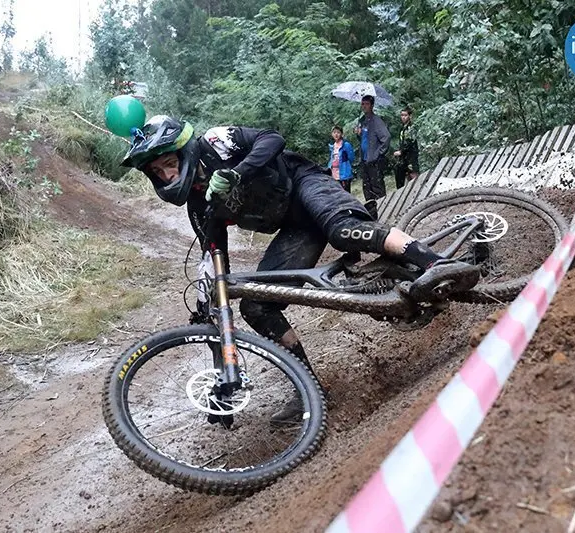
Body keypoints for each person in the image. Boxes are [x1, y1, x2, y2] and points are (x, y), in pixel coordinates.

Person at [115, 111, 480, 423]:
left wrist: (237, 172)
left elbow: (272, 139)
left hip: (306, 184)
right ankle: (308, 387)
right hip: (294, 228)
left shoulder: (215, 142)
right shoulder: (200, 205)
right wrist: (218, 363)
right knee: (256, 305)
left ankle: (438, 263)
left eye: (169, 164)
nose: (167, 175)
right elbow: (215, 263)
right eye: (158, 172)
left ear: (183, 151)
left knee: (343, 231)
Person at [353, 95, 390, 219]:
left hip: (374, 160)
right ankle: (372, 215)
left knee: (377, 187)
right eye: (362, 104)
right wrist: (358, 134)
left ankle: (384, 212)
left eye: (367, 104)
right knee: (367, 187)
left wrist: (378, 154)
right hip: (364, 159)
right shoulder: (362, 120)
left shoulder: (376, 121)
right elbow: (364, 139)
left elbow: (386, 138)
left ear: (372, 105)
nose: (364, 106)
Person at [394, 106, 420, 189]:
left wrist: (401, 151)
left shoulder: (411, 128)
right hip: (404, 158)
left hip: (411, 156)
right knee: (405, 177)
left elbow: (410, 142)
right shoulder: (402, 128)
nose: (403, 117)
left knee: (413, 176)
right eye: (402, 115)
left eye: (405, 115)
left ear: (410, 116)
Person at [327, 126, 354, 192]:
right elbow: (331, 159)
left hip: (344, 173)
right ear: (332, 134)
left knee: (346, 192)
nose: (336, 134)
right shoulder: (332, 146)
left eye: (338, 132)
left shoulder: (346, 145)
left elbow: (351, 158)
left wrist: (346, 165)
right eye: (334, 132)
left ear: (341, 134)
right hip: (334, 174)